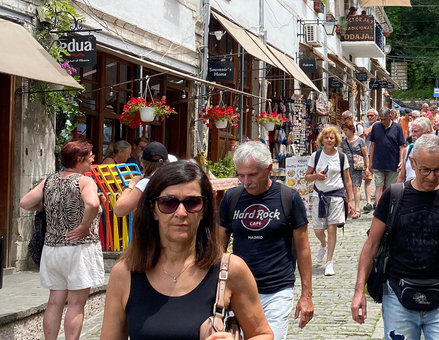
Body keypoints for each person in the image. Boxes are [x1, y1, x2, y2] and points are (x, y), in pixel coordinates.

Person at [100, 160, 274, 340]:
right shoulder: (124, 274)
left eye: (192, 202)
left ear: (204, 210)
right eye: (168, 203)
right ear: (153, 210)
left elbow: (262, 334)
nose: (181, 212)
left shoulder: (230, 270)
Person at [351, 135, 439, 339]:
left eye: (438, 170)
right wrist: (359, 291)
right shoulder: (394, 196)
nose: (431, 176)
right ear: (412, 163)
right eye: (425, 170)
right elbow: (371, 244)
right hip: (397, 295)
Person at [218, 141, 313, 339]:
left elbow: (302, 248)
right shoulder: (231, 199)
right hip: (238, 292)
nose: (246, 181)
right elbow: (219, 247)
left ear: (269, 169)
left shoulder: (288, 198)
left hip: (276, 289)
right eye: (241, 175)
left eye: (252, 175)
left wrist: (306, 295)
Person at [20, 141, 103, 340]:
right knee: (76, 303)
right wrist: (83, 226)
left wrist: (47, 205)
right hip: (78, 249)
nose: (92, 159)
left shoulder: (50, 180)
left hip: (53, 249)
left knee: (54, 302)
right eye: (90, 156)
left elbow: (25, 202)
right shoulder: (84, 181)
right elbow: (92, 203)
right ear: (80, 159)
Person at [305, 125, 354, 277]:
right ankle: (323, 244)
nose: (329, 140)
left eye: (332, 138)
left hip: (337, 196)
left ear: (336, 140)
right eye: (326, 137)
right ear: (322, 140)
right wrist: (315, 176)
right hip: (320, 195)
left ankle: (329, 262)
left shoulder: (341, 157)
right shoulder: (316, 156)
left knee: (332, 228)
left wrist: (350, 200)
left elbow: (347, 179)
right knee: (318, 230)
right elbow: (307, 176)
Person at [113, 141, 169, 217]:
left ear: (143, 162)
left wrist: (131, 184)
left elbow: (119, 210)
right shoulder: (172, 179)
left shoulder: (145, 183)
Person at [368, 107, 407, 205]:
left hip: (392, 162)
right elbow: (372, 145)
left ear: (390, 116)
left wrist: (402, 160)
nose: (382, 121)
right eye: (380, 119)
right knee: (378, 186)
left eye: (384, 119)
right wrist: (370, 161)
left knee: (390, 188)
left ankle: (389, 209)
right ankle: (378, 208)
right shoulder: (376, 127)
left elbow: (402, 146)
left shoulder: (397, 127)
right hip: (378, 162)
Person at [341, 122, 369, 219]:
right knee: (347, 188)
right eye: (343, 130)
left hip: (357, 167)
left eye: (346, 130)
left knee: (356, 187)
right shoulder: (343, 142)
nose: (344, 132)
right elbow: (339, 154)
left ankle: (357, 209)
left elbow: (365, 155)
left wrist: (367, 167)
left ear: (352, 130)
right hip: (346, 168)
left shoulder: (360, 141)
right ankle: (349, 207)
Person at [399, 116, 434, 183]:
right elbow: (401, 177)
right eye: (411, 131)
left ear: (427, 132)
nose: (412, 134)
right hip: (410, 190)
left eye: (415, 131)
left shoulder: (438, 150)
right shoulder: (408, 150)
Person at [361, 108, 379, 212]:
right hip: (367, 154)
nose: (369, 117)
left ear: (376, 116)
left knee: (379, 179)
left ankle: (377, 201)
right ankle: (368, 202)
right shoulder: (366, 124)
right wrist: (373, 125)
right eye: (368, 115)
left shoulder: (381, 125)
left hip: (378, 155)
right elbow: (365, 133)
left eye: (371, 115)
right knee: (367, 178)